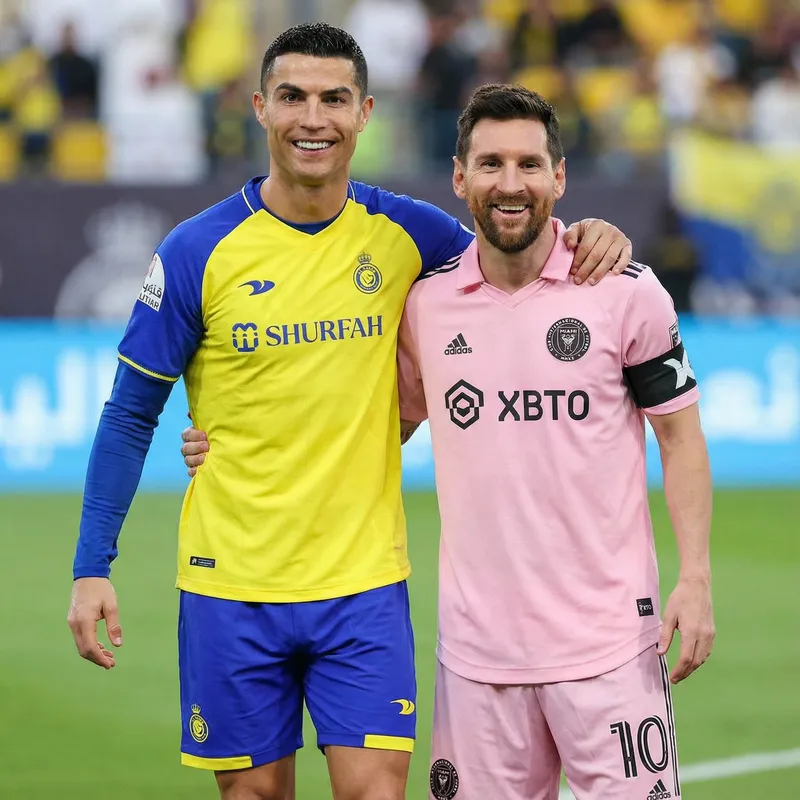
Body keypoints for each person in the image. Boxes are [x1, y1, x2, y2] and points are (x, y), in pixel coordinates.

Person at [68, 23, 633, 800]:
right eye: (293, 97)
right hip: (232, 582)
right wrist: (92, 565)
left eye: (334, 99)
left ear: (365, 111)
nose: (314, 118)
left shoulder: (412, 234)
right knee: (256, 796)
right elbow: (131, 414)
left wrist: (586, 235)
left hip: (362, 586)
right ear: (260, 107)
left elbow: (515, 245)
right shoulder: (198, 251)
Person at [394, 85, 712, 799]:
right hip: (476, 659)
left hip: (610, 653)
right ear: (459, 177)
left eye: (530, 165)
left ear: (560, 177)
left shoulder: (628, 293)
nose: (511, 184)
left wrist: (695, 578)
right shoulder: (426, 307)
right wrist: (228, 444)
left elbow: (681, 440)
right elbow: (377, 434)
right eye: (491, 164)